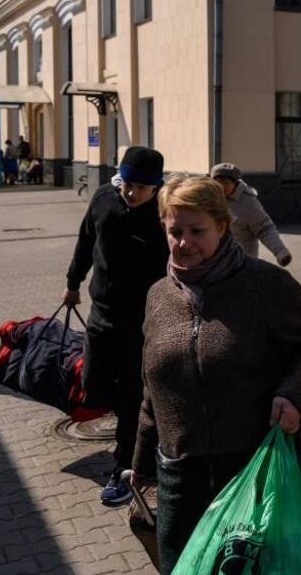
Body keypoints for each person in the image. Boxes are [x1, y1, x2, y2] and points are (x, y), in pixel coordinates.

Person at [130, 175, 301, 575]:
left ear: (224, 226)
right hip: (180, 479)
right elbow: (151, 388)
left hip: (253, 472)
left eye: (197, 231)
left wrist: (294, 395)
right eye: (175, 231)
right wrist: (141, 461)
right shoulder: (158, 296)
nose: (184, 242)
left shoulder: (267, 285)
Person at [63, 146, 169, 506]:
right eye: (127, 183)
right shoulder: (104, 198)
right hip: (100, 313)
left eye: (141, 186)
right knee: (93, 383)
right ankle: (136, 432)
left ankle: (125, 466)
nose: (131, 192)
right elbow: (85, 241)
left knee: (130, 397)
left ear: (156, 187)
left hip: (141, 322)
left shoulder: (164, 215)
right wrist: (72, 283)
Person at [210, 162, 292, 266]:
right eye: (218, 183)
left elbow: (265, 229)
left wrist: (280, 251)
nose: (221, 187)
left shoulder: (247, 202)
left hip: (241, 263)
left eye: (225, 183)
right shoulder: (209, 198)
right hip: (214, 263)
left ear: (235, 183)